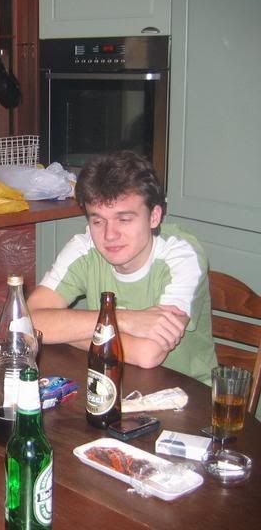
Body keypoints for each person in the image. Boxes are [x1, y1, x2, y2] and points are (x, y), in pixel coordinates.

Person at [26, 151, 217, 384]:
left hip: (187, 395)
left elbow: (147, 354)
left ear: (154, 216)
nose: (109, 235)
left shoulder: (182, 254)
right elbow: (28, 323)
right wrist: (124, 320)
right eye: (98, 221)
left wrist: (64, 331)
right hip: (111, 382)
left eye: (124, 219)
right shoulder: (84, 248)